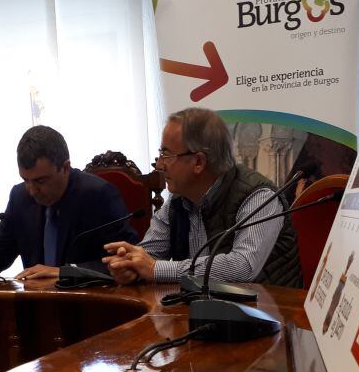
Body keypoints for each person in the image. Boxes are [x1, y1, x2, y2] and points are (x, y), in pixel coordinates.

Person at [103, 107, 303, 287]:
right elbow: (149, 256)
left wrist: (155, 269)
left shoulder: (259, 196)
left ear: (198, 161)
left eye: (167, 154)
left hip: (269, 315)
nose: (159, 165)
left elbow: (243, 266)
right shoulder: (178, 199)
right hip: (209, 310)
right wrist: (129, 266)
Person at [0, 125, 137, 281]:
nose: (32, 191)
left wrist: (63, 273)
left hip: (91, 307)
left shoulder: (98, 195)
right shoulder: (20, 197)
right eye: (26, 180)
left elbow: (127, 260)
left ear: (65, 167)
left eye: (40, 181)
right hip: (37, 308)